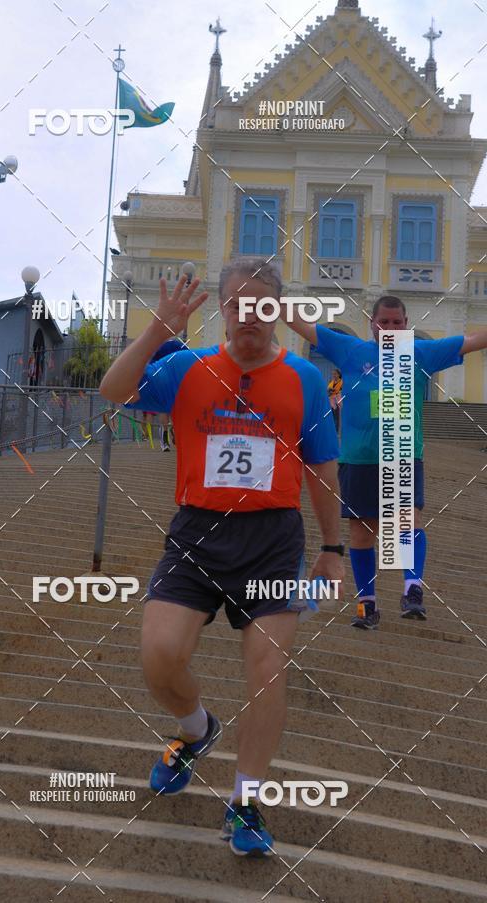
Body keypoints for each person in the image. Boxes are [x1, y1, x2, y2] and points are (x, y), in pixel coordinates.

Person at [100, 258, 344, 857]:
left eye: (262, 305)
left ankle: (246, 802)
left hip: (272, 540)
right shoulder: (189, 367)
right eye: (238, 304)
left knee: (267, 670)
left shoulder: (304, 380)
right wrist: (157, 332)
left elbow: (321, 467)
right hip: (197, 535)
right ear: (224, 309)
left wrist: (333, 548)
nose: (249, 316)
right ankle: (196, 730)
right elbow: (111, 390)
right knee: (160, 657)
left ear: (278, 311)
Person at [283, 295, 487, 629]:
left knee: (408, 520)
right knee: (362, 531)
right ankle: (367, 604)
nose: (390, 328)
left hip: (403, 455)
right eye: (384, 322)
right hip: (358, 459)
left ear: (406, 325)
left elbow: (473, 340)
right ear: (372, 324)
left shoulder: (420, 352)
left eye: (397, 322)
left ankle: (412, 589)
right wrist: (268, 300)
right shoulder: (350, 349)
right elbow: (302, 325)